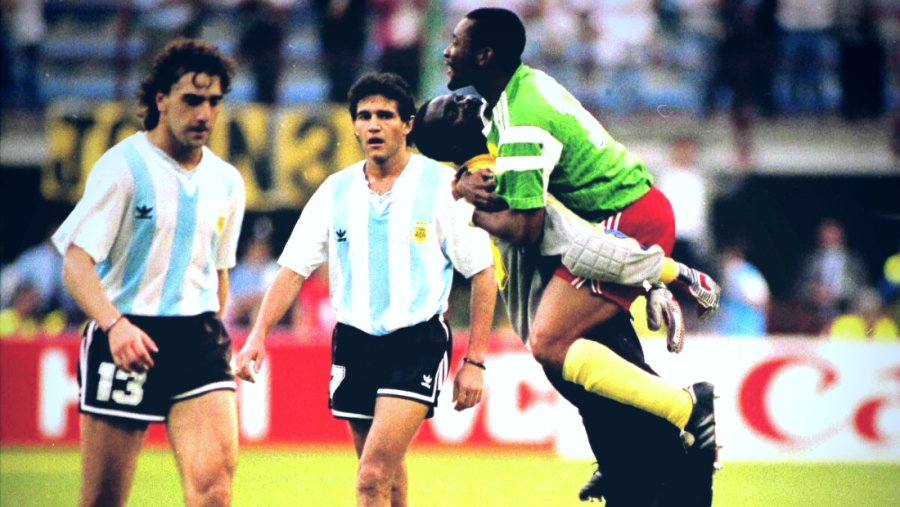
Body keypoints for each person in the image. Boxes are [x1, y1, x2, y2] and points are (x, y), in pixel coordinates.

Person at [441, 8, 720, 503]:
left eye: (456, 42)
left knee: (550, 340)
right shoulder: (515, 97)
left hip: (626, 218)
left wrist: (471, 212)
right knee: (565, 354)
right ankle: (620, 455)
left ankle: (687, 408)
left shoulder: (522, 119)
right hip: (616, 216)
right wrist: (464, 183)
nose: (447, 50)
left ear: (484, 55)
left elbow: (528, 228)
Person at [233, 72, 496, 507]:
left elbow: (483, 273)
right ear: (354, 125)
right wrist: (257, 335)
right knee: (387, 477)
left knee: (371, 475)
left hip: (417, 342)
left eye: (385, 115)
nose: (373, 125)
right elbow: (294, 269)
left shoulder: (442, 187)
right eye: (364, 115)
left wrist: (476, 361)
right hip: (354, 343)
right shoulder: (335, 190)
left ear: (408, 124)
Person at [51, 39, 244, 507]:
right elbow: (75, 262)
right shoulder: (123, 167)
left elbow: (219, 272)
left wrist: (213, 330)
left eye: (214, 102)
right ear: (161, 99)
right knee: (103, 500)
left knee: (214, 491)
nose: (204, 114)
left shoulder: (227, 181)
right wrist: (114, 325)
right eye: (192, 100)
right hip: (126, 335)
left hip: (197, 340)